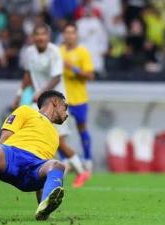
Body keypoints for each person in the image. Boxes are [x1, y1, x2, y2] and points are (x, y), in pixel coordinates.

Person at [0, 90, 68, 221]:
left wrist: (42, 207)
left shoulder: (56, 136)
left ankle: (45, 206)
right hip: (12, 156)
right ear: (55, 102)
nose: (66, 114)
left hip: (33, 169)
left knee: (57, 165)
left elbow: (45, 170)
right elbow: (5, 137)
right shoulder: (26, 111)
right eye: (65, 107)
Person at [13, 23, 90, 188]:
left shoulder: (54, 51)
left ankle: (81, 170)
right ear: (33, 37)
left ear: (48, 37)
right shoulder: (29, 52)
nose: (40, 37)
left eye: (43, 34)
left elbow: (56, 77)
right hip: (39, 103)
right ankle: (40, 170)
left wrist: (40, 91)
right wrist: (19, 94)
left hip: (56, 102)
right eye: (37, 34)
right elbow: (27, 74)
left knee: (59, 142)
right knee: (36, 136)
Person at [60, 23, 95, 172]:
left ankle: (87, 160)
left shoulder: (83, 53)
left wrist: (72, 68)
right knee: (59, 133)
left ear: (76, 35)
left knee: (82, 129)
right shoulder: (58, 51)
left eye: (72, 33)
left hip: (79, 98)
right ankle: (65, 161)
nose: (69, 35)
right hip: (62, 100)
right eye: (67, 33)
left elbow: (90, 75)